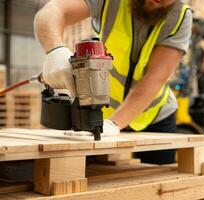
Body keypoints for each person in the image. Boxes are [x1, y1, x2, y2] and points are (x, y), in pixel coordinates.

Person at [34, 0, 192, 164]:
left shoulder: (181, 17)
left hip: (154, 116)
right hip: (101, 114)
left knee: (161, 182)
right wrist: (55, 51)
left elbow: (154, 79)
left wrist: (114, 124)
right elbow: (52, 11)